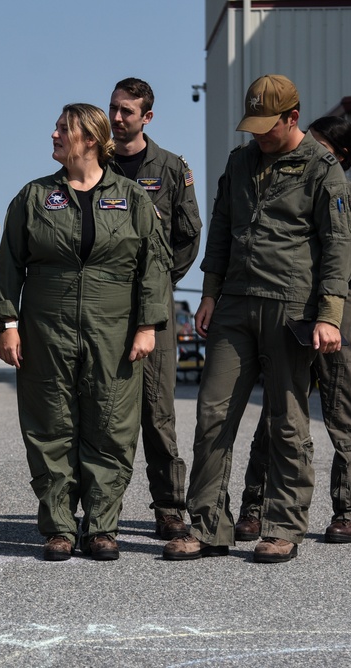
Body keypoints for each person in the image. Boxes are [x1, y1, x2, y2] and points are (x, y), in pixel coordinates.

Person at [162, 74, 351, 564]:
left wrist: (329, 315)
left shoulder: (321, 167)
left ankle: (283, 525)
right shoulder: (240, 160)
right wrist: (209, 293)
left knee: (286, 421)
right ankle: (208, 527)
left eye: (268, 127)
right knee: (213, 415)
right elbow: (221, 229)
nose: (258, 136)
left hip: (291, 307)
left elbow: (338, 246)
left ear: (293, 117)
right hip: (234, 305)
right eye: (253, 126)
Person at [0, 103, 172, 562]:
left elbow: (154, 265)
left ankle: (102, 527)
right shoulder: (33, 197)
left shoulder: (131, 197)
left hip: (113, 325)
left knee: (111, 425)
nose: (53, 135)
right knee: (50, 424)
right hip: (45, 326)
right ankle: (58, 526)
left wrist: (148, 325)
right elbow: (10, 262)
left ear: (89, 139)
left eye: (62, 129)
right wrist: (8, 324)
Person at [234, 115, 351, 545]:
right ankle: (256, 505)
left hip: (341, 310)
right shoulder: (289, 187)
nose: (307, 151)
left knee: (346, 412)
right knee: (278, 411)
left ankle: (350, 511)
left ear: (339, 155)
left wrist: (325, 269)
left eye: (320, 146)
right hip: (291, 308)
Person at [108, 77, 203, 540]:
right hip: (103, 303)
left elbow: (189, 235)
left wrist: (161, 283)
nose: (118, 117)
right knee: (102, 409)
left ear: (147, 117)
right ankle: (101, 509)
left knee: (156, 409)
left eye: (127, 111)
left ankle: (168, 507)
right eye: (114, 108)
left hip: (154, 306)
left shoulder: (169, 168)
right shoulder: (95, 163)